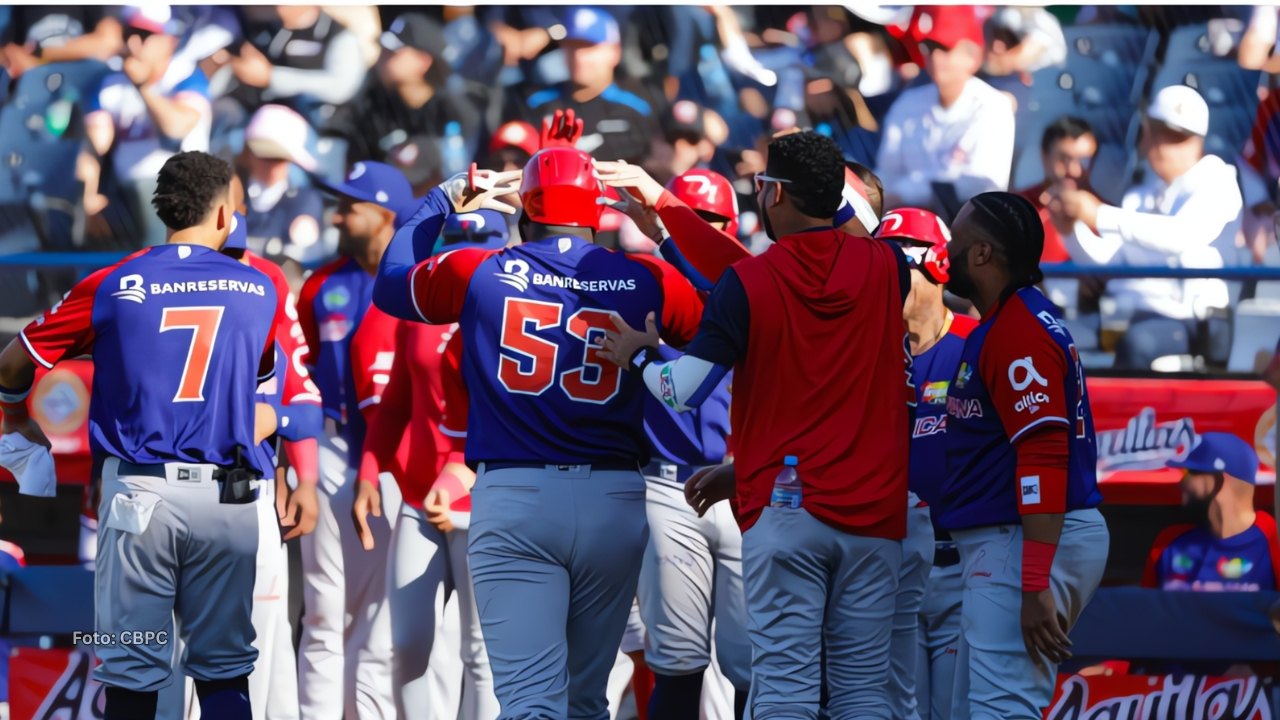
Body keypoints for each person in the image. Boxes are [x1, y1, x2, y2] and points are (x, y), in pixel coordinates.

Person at [372, 130, 704, 716]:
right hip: (615, 495)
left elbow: (393, 281)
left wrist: (443, 201)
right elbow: (725, 312)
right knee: (585, 701)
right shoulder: (644, 274)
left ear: (526, 209)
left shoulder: (481, 269)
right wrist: (664, 233)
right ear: (597, 213)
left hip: (517, 493)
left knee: (531, 702)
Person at [600, 130, 913, 719]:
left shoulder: (752, 282)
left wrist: (640, 354)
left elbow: (682, 389)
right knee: (864, 690)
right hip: (875, 515)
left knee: (786, 688)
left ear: (773, 194)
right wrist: (670, 216)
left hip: (789, 512)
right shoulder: (888, 267)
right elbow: (821, 244)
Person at [0, 150, 280, 720]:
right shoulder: (260, 289)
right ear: (225, 215)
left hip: (139, 496)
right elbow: (263, 390)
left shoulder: (114, 282)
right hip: (226, 499)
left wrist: (14, 416)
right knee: (226, 670)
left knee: (130, 663)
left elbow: (12, 363)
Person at [935, 192, 1109, 720]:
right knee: (970, 710)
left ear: (983, 254)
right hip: (1019, 539)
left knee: (1001, 711)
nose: (946, 253)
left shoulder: (1018, 332)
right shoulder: (1013, 320)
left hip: (1024, 541)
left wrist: (1033, 583)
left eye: (956, 244)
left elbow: (1043, 456)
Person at [352, 211, 510, 720]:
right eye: (458, 239)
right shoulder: (420, 313)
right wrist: (369, 467)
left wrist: (461, 477)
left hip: (485, 499)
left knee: (482, 654)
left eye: (479, 241)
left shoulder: (513, 315)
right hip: (421, 497)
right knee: (409, 647)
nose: (466, 253)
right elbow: (397, 399)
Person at [614, 168, 750, 720]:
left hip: (751, 485)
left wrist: (672, 235)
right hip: (669, 486)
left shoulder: (753, 284)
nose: (698, 228)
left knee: (754, 664)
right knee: (675, 658)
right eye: (687, 217)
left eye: (709, 221)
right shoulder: (647, 283)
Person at [293, 161, 416, 720]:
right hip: (337, 446)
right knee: (323, 610)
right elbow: (301, 374)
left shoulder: (421, 278)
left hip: (403, 460)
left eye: (351, 206)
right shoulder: (322, 284)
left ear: (386, 215)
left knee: (384, 614)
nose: (338, 215)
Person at [1051, 85, 1243, 370]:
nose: (1166, 145)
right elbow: (1109, 261)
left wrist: (1099, 214)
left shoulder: (1216, 178)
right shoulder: (1140, 194)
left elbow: (1181, 235)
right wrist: (1070, 230)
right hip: (1121, 314)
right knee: (1056, 340)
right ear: (1146, 133)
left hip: (1191, 322)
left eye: (1179, 137)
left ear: (1198, 141)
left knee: (1137, 345)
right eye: (1161, 133)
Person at [872, 208, 978, 720]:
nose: (885, 283)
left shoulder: (978, 345)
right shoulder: (863, 353)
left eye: (897, 268)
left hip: (965, 566)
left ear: (937, 265)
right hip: (889, 566)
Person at [222, 206, 322, 720]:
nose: (231, 264)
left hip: (247, 484)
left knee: (264, 640)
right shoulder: (142, 280)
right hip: (170, 487)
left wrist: (301, 473)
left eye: (237, 253)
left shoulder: (264, 281)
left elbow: (301, 396)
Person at [85, 5, 212, 248]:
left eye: (144, 35)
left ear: (169, 40)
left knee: (156, 199)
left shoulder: (186, 75)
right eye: (128, 33)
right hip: (125, 195)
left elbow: (177, 126)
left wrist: (143, 86)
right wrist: (88, 197)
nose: (133, 44)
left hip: (185, 192)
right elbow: (93, 146)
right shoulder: (110, 82)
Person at [876, 5, 1015, 215]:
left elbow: (982, 185)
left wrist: (906, 193)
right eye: (930, 48)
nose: (936, 58)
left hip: (965, 229)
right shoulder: (907, 103)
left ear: (973, 56)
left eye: (946, 49)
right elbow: (887, 174)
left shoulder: (993, 107)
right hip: (903, 221)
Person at [331, 12, 482, 178]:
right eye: (383, 48)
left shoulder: (455, 112)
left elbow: (459, 173)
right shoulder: (370, 102)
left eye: (393, 52)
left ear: (423, 61)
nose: (382, 55)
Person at [518, 7, 661, 165]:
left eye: (588, 47)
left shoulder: (640, 104)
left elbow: (659, 164)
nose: (578, 56)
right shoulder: (535, 102)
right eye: (572, 46)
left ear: (615, 51)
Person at [1144, 432, 1279, 592]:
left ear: (1217, 481)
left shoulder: (1273, 544)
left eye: (1188, 473)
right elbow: (1146, 613)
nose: (1181, 483)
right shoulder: (1167, 543)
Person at [240, 104, 326, 269]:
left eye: (279, 159)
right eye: (265, 156)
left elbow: (303, 257)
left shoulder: (305, 201)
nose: (272, 166)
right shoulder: (229, 194)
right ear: (248, 153)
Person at [1015, 117, 1098, 265]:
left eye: (1084, 161)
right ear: (1045, 156)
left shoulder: (1105, 216)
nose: (1074, 170)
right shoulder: (1016, 209)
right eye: (1064, 159)